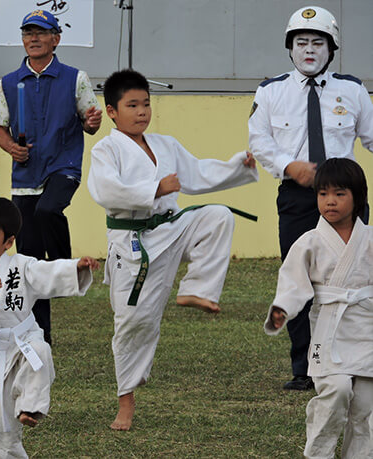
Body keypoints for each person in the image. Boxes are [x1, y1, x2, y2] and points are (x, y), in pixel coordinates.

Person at [87, 69, 259, 431]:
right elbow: (105, 191)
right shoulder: (106, 149)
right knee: (134, 323)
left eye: (146, 104)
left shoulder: (164, 144)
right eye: (132, 105)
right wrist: (154, 189)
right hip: (134, 242)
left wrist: (236, 166)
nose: (142, 112)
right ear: (113, 111)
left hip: (171, 226)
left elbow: (196, 173)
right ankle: (126, 401)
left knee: (217, 216)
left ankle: (197, 289)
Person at [249, 5, 373, 391]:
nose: (308, 50)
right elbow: (259, 142)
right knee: (299, 273)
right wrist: (290, 167)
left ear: (331, 49)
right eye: (300, 42)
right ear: (290, 48)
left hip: (347, 196)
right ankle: (305, 366)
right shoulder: (270, 91)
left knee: (355, 277)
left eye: (317, 42)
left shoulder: (352, 90)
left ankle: (357, 358)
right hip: (298, 196)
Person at [0, 197, 98, 458]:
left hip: (25, 340)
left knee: (39, 352)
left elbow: (47, 272)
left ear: (8, 242)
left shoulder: (22, 266)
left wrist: (76, 267)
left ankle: (30, 407)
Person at [0, 9, 103, 345]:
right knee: (27, 259)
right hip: (25, 173)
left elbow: (90, 120)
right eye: (28, 33)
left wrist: (92, 123)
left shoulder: (75, 78)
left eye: (41, 33)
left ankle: (63, 267)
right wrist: (12, 147)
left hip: (63, 166)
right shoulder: (9, 82)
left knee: (48, 211)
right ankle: (40, 335)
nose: (34, 39)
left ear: (56, 38)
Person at [265, 158, 372, 458]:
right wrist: (282, 309)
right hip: (329, 328)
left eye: (339, 194)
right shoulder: (309, 241)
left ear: (358, 196)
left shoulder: (370, 239)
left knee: (365, 405)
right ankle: (318, 453)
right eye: (323, 194)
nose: (330, 202)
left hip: (366, 329)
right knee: (336, 390)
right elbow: (294, 283)